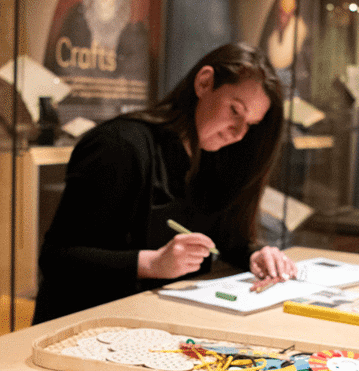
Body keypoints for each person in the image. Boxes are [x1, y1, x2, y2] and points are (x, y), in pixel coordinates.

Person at [33, 42, 297, 324]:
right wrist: (151, 263)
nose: (239, 133)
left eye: (251, 125)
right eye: (235, 111)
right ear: (204, 82)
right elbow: (57, 259)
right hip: (86, 324)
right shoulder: (119, 146)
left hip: (159, 321)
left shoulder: (213, 159)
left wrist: (254, 254)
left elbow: (224, 240)